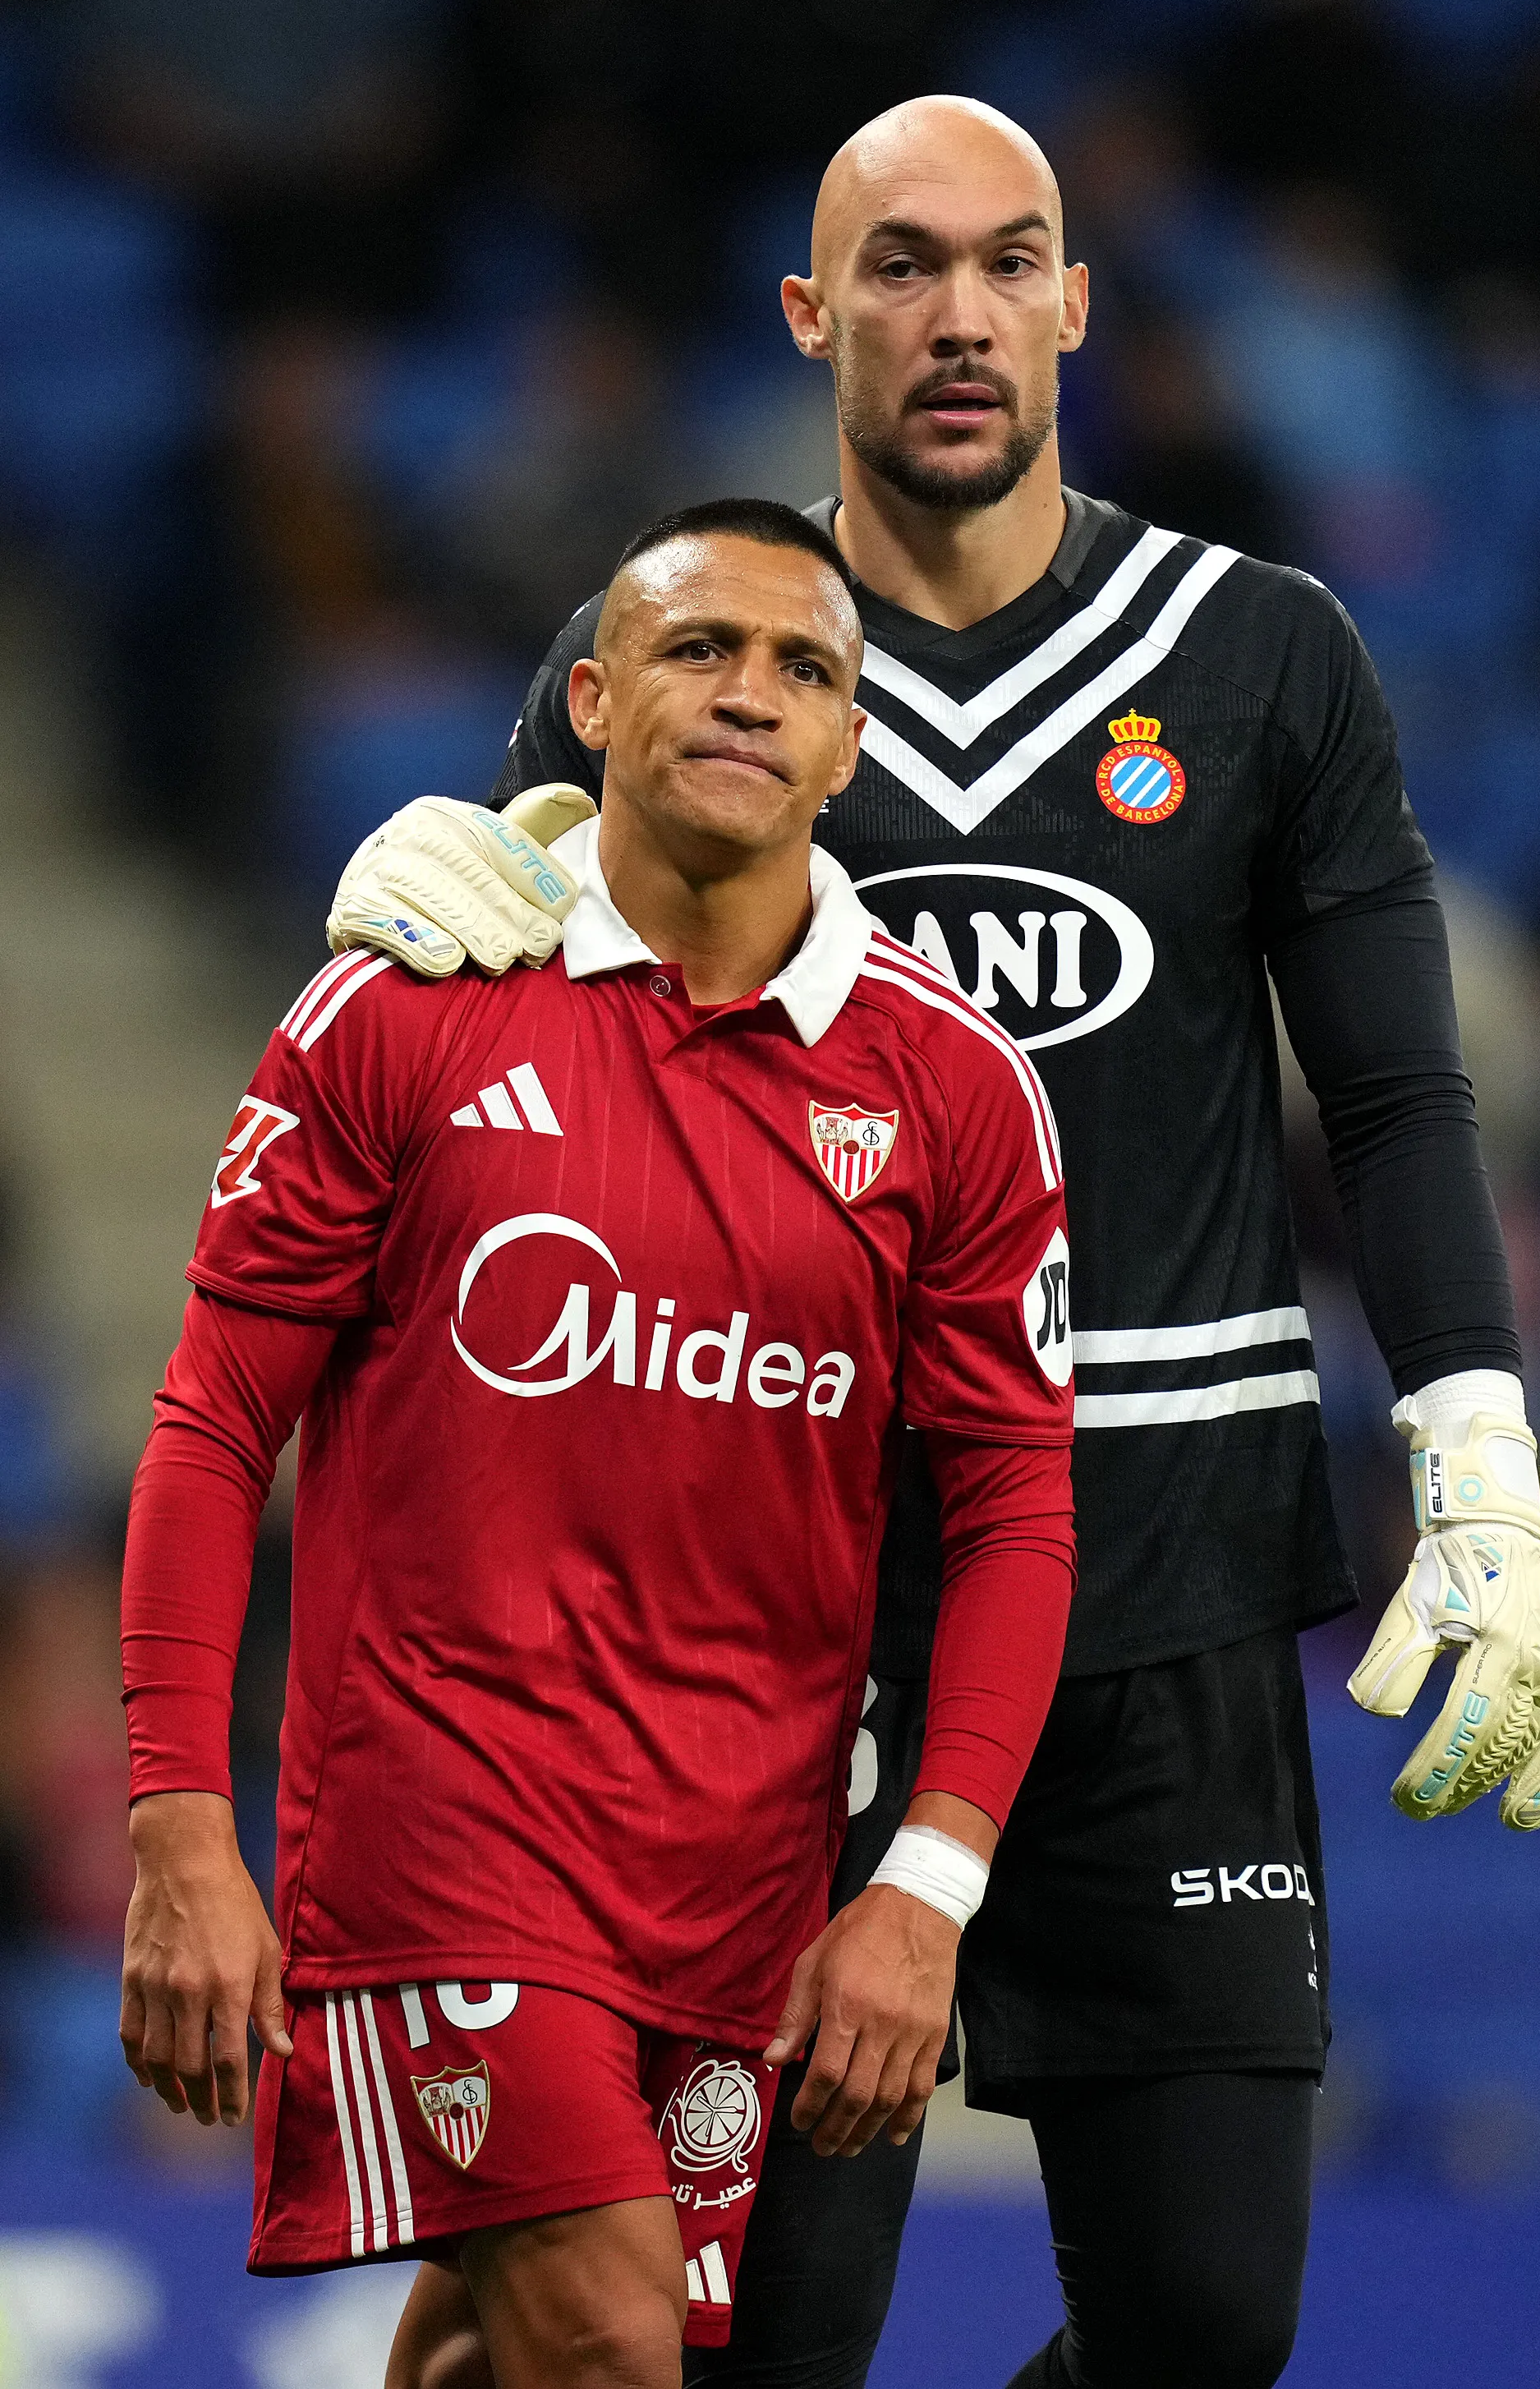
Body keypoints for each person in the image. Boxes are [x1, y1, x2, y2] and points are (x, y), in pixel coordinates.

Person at [324, 99, 1540, 2389]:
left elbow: (1397, 1100)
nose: (962, 314)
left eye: (1012, 262)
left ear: (1080, 305)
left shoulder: (1262, 656)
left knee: (1203, 2325)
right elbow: (517, 1167)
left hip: (1168, 1590)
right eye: (900, 267)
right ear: (812, 317)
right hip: (776, 1630)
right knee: (759, 2342)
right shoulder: (691, 654)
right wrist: (417, 984)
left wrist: (1474, 1455)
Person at [117, 501, 1080, 2389]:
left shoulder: (954, 1089)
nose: (750, 694)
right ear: (590, 698)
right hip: (443, 1832)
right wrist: (177, 1824)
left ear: (853, 745)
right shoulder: (405, 1010)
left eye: (803, 667)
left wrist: (929, 1884)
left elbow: (1017, 1504)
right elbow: (215, 1418)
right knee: (615, 2351)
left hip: (742, 1867)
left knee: (505, 2347)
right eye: (697, 649)